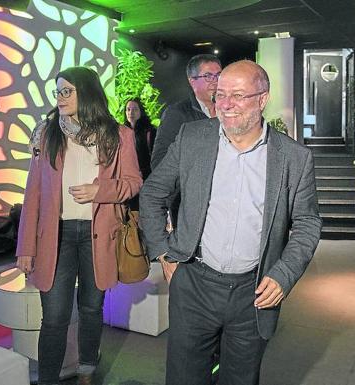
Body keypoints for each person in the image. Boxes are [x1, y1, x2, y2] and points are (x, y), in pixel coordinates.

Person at [140, 60, 321, 385]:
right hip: (193, 283)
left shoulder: (294, 157)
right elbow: (153, 193)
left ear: (262, 98)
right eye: (221, 94)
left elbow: (307, 223)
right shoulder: (193, 137)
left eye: (238, 95)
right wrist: (164, 252)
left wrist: (283, 275)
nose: (224, 104)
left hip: (252, 294)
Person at [15, 66, 142, 385]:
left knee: (90, 307)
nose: (60, 97)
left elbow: (133, 182)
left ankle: (86, 370)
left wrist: (102, 190)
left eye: (66, 91)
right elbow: (33, 194)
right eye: (57, 91)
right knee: (54, 317)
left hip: (97, 236)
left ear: (86, 92)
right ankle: (47, 379)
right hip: (55, 237)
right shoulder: (47, 133)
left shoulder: (119, 135)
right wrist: (25, 248)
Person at [150, 54, 222, 227]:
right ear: (192, 81)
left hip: (225, 199)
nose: (215, 81)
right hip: (189, 204)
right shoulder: (178, 113)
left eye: (219, 75)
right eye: (207, 76)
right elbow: (160, 160)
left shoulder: (228, 112)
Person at [124, 98, 156, 181]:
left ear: (141, 111)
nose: (131, 112)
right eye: (128, 109)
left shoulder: (150, 132)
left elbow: (156, 159)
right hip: (129, 179)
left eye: (135, 109)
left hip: (147, 178)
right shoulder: (122, 133)